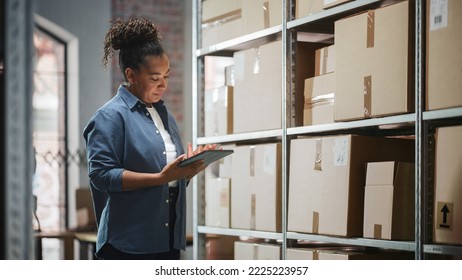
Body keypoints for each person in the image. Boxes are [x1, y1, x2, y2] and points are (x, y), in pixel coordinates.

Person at [83, 17, 216, 260]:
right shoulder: (110, 117)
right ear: (131, 75)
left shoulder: (164, 116)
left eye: (166, 76)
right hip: (127, 244)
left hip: (166, 239)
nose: (163, 85)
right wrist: (161, 178)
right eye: (155, 78)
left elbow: (167, 180)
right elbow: (101, 176)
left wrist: (185, 172)